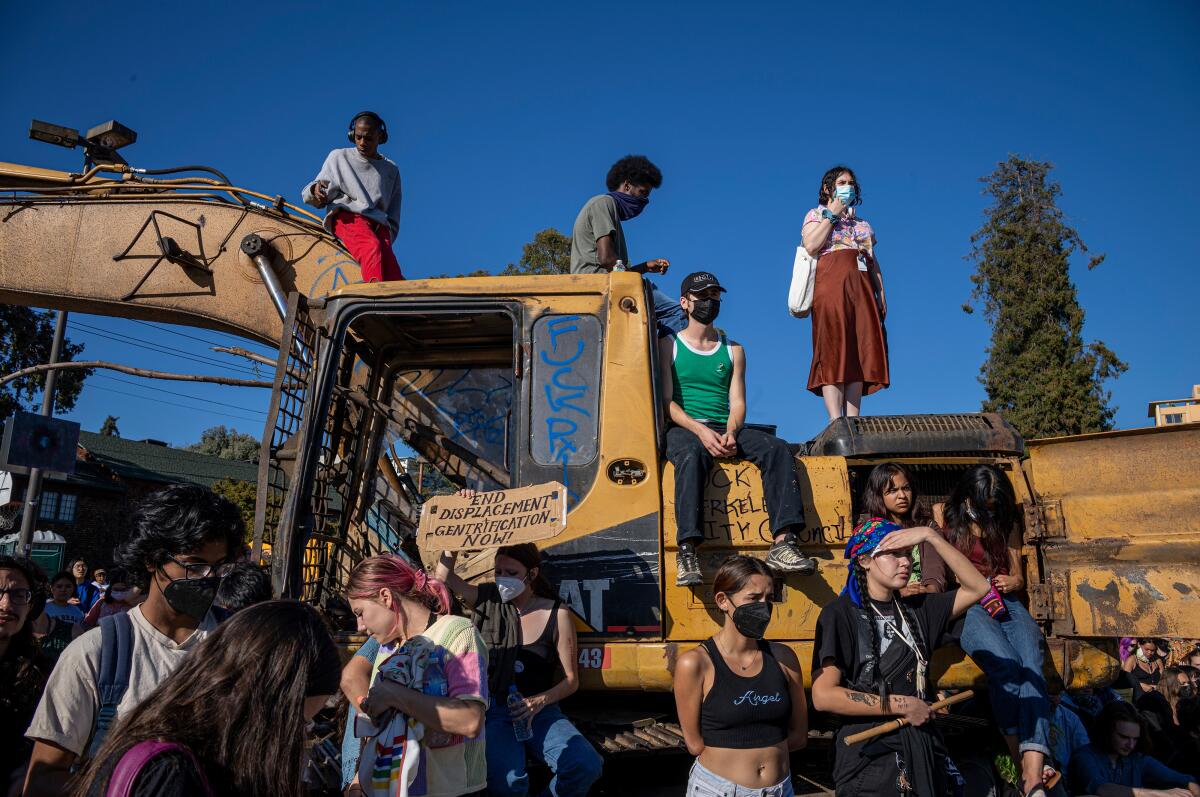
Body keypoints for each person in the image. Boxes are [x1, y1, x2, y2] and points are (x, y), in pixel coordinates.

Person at [23, 484, 245, 797]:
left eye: (219, 566)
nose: (209, 578)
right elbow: (45, 776)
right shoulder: (95, 654)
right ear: (152, 560)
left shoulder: (240, 649)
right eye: (194, 565)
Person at [71, 600, 341, 797]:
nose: (300, 742)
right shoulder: (171, 775)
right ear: (260, 703)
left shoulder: (192, 755)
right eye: (299, 723)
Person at [810, 518, 989, 796]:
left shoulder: (919, 610)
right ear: (866, 560)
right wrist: (903, 704)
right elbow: (823, 696)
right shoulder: (839, 614)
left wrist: (932, 536)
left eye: (908, 553)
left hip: (922, 748)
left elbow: (979, 587)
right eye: (894, 554)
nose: (905, 561)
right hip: (871, 757)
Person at [660, 270, 817, 585]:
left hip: (724, 425)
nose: (708, 302)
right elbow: (667, 403)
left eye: (714, 296)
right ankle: (688, 550)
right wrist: (701, 432)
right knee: (692, 456)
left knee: (777, 449)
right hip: (686, 427)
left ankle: (783, 543)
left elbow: (738, 402)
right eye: (701, 296)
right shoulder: (669, 345)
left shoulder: (734, 350)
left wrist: (731, 432)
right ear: (685, 303)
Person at [435, 537, 603, 797]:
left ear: (532, 574)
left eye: (511, 573)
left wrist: (538, 701)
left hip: (540, 711)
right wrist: (454, 540)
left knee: (585, 764)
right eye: (498, 572)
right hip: (494, 709)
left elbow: (571, 680)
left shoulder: (557, 614)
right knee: (509, 784)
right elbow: (442, 579)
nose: (503, 579)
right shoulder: (488, 600)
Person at [939, 464, 1057, 796]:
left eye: (993, 505)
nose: (987, 511)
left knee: (1031, 665)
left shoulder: (1007, 523)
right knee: (1005, 664)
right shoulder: (944, 516)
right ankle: (1026, 764)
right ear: (967, 497)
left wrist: (1013, 580)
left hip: (1006, 601)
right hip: (969, 604)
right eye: (982, 504)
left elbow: (1018, 575)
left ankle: (1032, 779)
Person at [340, 554, 488, 797]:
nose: (360, 626)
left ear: (386, 597)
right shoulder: (388, 647)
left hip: (451, 790)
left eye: (360, 612)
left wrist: (394, 695)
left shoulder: (458, 633)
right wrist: (358, 780)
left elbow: (470, 721)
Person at [673, 555, 808, 797]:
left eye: (769, 598)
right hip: (719, 790)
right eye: (754, 598)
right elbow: (695, 744)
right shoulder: (695, 663)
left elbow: (799, 735)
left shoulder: (783, 658)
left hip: (780, 789)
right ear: (723, 601)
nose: (764, 607)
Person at [800, 166, 889, 421]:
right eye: (841, 182)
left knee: (858, 350)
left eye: (850, 182)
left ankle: (853, 419)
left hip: (861, 288)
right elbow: (811, 245)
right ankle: (834, 420)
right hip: (831, 287)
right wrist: (832, 215)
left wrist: (881, 292)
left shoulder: (863, 225)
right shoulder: (815, 215)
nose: (847, 186)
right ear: (829, 188)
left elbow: (874, 261)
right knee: (833, 348)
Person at [569, 154, 685, 337]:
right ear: (627, 185)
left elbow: (616, 269)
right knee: (676, 313)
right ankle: (669, 364)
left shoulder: (609, 210)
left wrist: (645, 267)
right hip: (600, 285)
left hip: (606, 283)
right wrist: (638, 273)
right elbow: (607, 259)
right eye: (643, 193)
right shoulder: (603, 203)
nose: (644, 201)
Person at [303, 110, 403, 282]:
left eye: (368, 138)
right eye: (358, 137)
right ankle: (374, 300)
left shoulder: (391, 170)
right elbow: (314, 189)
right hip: (347, 217)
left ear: (380, 137)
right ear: (352, 135)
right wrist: (316, 191)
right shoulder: (339, 157)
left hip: (379, 225)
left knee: (393, 272)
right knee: (370, 247)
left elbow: (394, 210)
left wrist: (388, 234)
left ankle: (398, 306)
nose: (362, 142)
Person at [1069, 701, 1200, 796]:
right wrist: (1158, 794)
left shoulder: (1136, 759)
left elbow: (1183, 779)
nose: (1131, 745)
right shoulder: (1085, 757)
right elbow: (1101, 788)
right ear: (1107, 731)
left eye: (1135, 739)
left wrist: (1192, 787)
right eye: (1124, 737)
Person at [0, 556, 50, 796]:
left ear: (31, 605)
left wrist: (27, 771)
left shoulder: (42, 673)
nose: (6, 605)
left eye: (19, 595)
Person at [858, 463, 945, 596]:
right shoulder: (869, 529)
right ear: (878, 495)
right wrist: (897, 592)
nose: (902, 496)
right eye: (892, 491)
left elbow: (935, 570)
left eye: (906, 488)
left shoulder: (927, 526)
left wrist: (928, 590)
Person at [40, 571, 85, 662]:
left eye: (68, 586)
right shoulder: (43, 608)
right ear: (52, 588)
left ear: (73, 589)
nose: (63, 590)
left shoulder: (77, 612)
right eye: (59, 586)